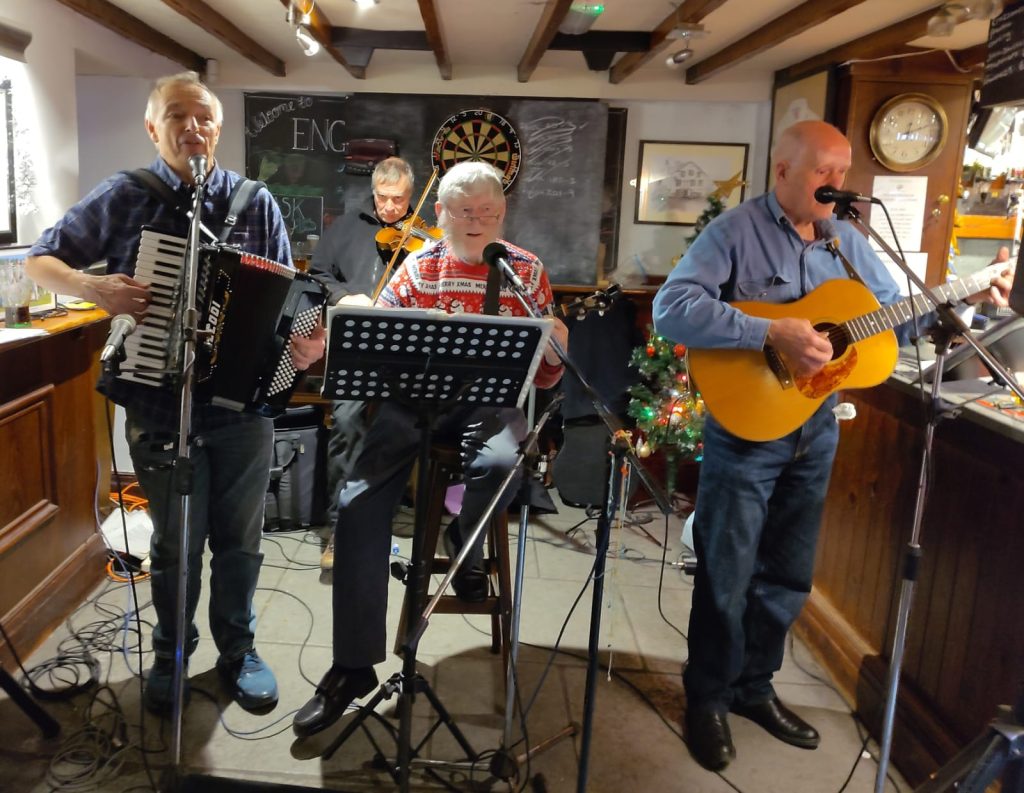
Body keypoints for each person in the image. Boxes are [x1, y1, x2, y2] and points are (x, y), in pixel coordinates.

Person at [651, 120, 1013, 772]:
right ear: (783, 172)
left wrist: (965, 296)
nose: (835, 185)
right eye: (823, 171)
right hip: (744, 430)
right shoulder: (734, 232)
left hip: (815, 428)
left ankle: (754, 688)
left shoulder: (846, 241)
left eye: (842, 173)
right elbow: (671, 308)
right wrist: (769, 333)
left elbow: (891, 314)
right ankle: (705, 697)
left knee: (788, 574)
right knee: (726, 573)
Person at [25, 71, 326, 715]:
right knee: (174, 544)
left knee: (242, 539)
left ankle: (238, 651)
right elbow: (42, 258)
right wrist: (96, 288)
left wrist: (301, 345)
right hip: (161, 405)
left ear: (217, 126)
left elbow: (282, 302)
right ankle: (171, 652)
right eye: (177, 115)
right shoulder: (128, 196)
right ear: (153, 127)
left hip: (242, 410)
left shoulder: (255, 202)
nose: (193, 126)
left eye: (203, 116)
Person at [292, 160, 570, 738]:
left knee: (500, 464)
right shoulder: (419, 265)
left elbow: (542, 383)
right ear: (439, 213)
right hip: (410, 405)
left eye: (488, 212)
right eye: (463, 211)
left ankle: (465, 552)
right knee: (360, 504)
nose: (476, 221)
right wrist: (358, 319)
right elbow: (378, 338)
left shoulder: (526, 271)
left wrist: (553, 351)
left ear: (502, 214)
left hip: (491, 408)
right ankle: (352, 664)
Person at [308, 157, 419, 571]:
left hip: (404, 349)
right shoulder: (345, 229)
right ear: (374, 193)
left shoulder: (423, 237)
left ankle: (381, 522)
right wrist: (344, 298)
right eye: (385, 199)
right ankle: (339, 529)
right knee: (348, 428)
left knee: (398, 430)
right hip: (354, 344)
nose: (391, 208)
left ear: (411, 196)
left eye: (400, 200)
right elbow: (318, 274)